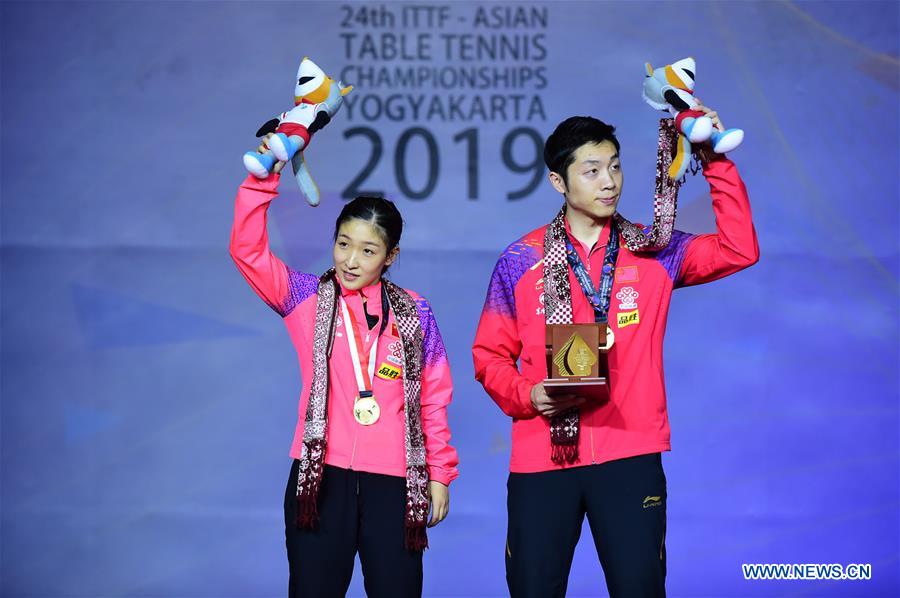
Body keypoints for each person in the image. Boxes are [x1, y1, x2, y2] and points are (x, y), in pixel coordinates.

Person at [472, 106, 759, 598]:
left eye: (615, 166)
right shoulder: (520, 260)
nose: (609, 182)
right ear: (558, 182)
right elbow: (489, 356)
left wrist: (713, 156)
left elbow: (739, 248)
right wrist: (529, 394)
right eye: (592, 171)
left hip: (630, 456)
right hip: (544, 460)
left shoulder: (653, 250)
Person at [230, 135, 459, 598]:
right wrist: (262, 181)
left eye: (368, 251)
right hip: (320, 480)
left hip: (395, 484)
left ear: (390, 256)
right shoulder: (305, 299)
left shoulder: (417, 313)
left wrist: (438, 473)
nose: (351, 260)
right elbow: (248, 253)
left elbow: (434, 397)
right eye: (343, 244)